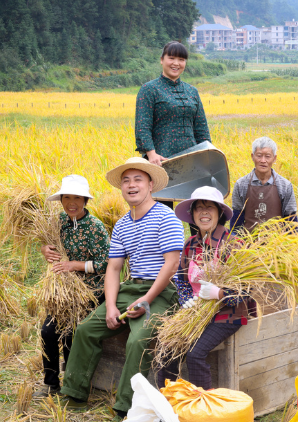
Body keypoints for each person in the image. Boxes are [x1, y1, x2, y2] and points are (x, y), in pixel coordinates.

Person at [59, 158, 184, 421]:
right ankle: (74, 392)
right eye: (126, 181)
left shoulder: (166, 217)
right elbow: (114, 269)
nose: (131, 185)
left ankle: (126, 407)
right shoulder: (122, 224)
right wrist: (112, 305)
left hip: (162, 292)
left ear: (151, 185)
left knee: (138, 340)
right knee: (85, 330)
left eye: (138, 179)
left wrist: (146, 301)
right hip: (131, 287)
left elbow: (171, 265)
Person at [156, 186, 254, 389]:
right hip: (197, 311)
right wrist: (186, 300)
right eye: (199, 208)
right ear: (192, 215)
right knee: (166, 347)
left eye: (210, 207)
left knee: (195, 355)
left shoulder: (233, 244)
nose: (204, 212)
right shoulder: (190, 244)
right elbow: (182, 280)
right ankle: (170, 404)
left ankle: (204, 409)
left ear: (219, 213)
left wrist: (219, 293)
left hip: (227, 314)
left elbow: (247, 288)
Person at [33, 175, 110, 399]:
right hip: (63, 292)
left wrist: (74, 265)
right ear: (61, 200)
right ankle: (50, 383)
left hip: (91, 292)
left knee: (69, 333)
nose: (72, 202)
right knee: (47, 331)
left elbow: (107, 263)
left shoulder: (95, 227)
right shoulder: (59, 222)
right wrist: (44, 249)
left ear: (85, 201)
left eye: (77, 197)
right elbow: (49, 247)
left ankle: (72, 384)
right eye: (67, 197)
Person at [135, 41, 211, 168]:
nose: (176, 63)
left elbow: (201, 129)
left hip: (193, 161)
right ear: (161, 60)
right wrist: (151, 154)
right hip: (161, 159)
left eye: (181, 59)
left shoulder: (192, 91)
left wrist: (208, 155)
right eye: (171, 58)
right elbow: (143, 126)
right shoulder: (149, 89)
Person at [231, 136, 297, 233]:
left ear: (274, 158)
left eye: (267, 156)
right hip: (248, 244)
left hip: (277, 244)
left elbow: (291, 221)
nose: (263, 160)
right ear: (252, 157)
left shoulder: (284, 185)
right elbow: (236, 220)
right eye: (259, 155)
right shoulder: (241, 185)